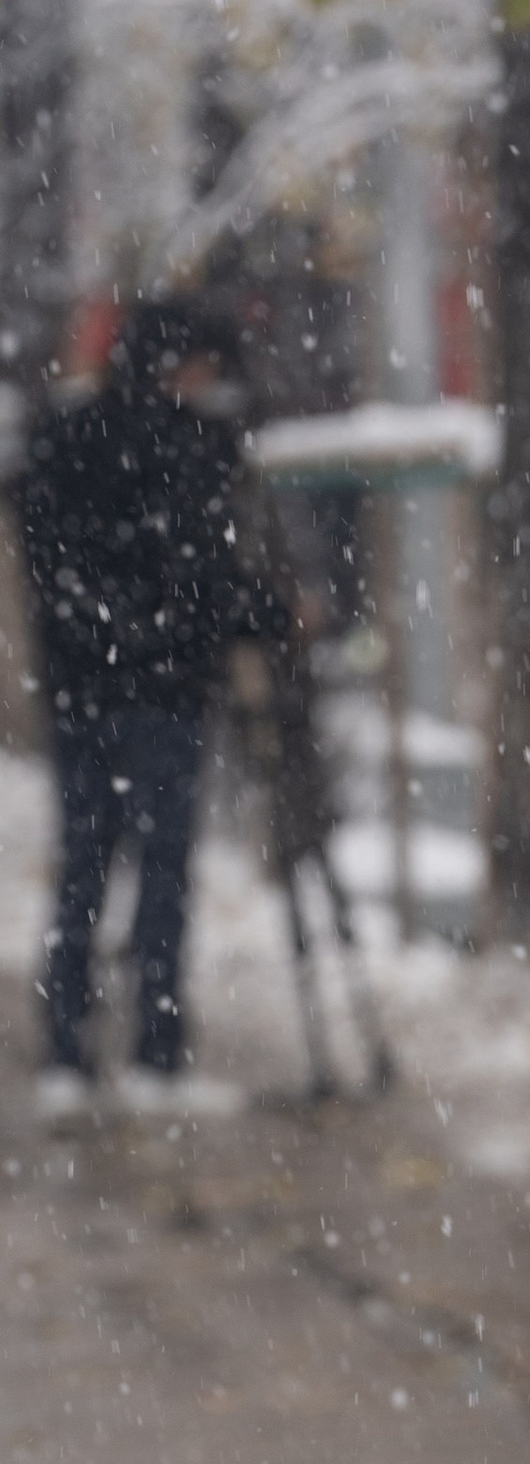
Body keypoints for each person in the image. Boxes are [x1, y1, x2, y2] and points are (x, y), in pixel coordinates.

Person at [16, 297, 286, 1113]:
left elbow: (44, 566)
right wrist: (270, 616)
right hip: (163, 695)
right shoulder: (192, 449)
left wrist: (90, 640)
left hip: (79, 693)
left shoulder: (61, 442)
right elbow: (205, 579)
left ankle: (67, 1053)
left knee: (83, 867)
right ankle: (154, 1055)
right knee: (162, 871)